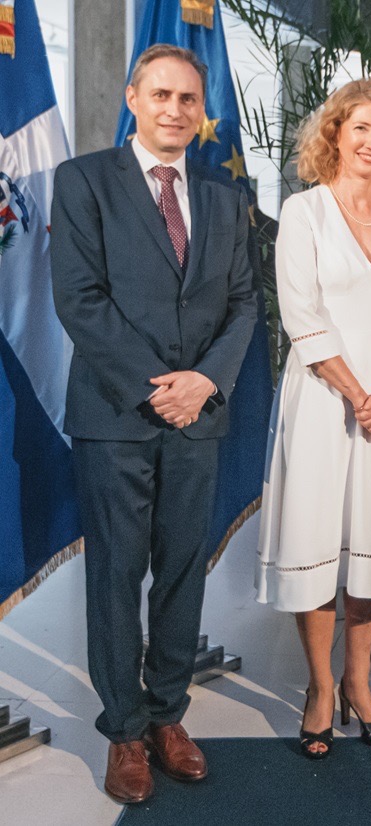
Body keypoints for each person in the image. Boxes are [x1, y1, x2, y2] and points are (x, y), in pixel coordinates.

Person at [49, 44, 257, 803]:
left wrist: (203, 382)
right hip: (116, 416)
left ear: (201, 112)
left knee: (180, 570)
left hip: (198, 415)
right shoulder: (83, 181)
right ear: (133, 98)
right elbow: (79, 298)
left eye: (188, 99)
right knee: (115, 573)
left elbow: (244, 304)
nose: (174, 109)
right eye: (161, 95)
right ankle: (125, 730)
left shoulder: (226, 200)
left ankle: (168, 714)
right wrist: (157, 387)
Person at [254, 80, 371, 759]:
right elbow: (301, 314)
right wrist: (359, 395)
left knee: (370, 547)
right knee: (318, 540)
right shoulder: (304, 212)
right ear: (334, 134)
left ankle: (360, 682)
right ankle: (320, 688)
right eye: (361, 128)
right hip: (324, 399)